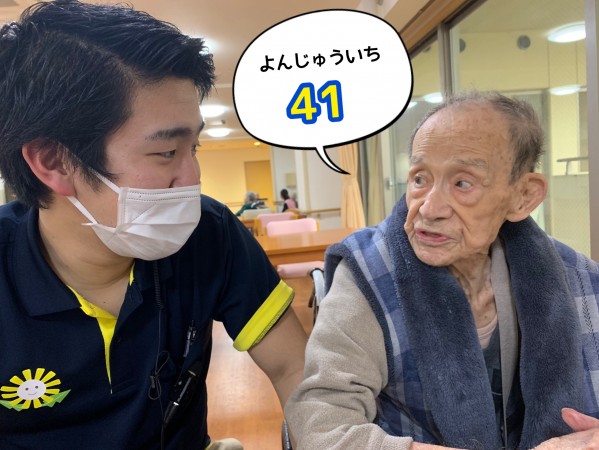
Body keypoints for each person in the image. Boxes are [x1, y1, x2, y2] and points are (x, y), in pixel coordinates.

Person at [0, 1, 307, 449]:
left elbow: (293, 367)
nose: (193, 178)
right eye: (166, 153)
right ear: (54, 162)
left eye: (194, 148)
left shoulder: (209, 233)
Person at [285, 91, 599, 449]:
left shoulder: (580, 279)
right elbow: (320, 423)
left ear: (523, 196)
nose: (428, 208)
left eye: (462, 183)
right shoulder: (367, 277)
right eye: (420, 179)